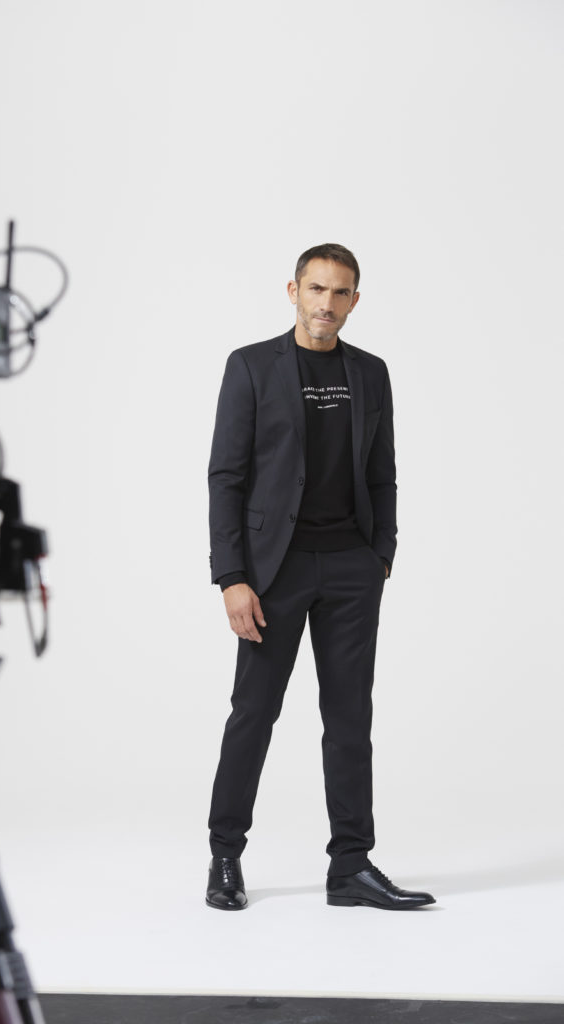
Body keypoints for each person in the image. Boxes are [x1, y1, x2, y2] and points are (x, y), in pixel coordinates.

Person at [205, 243, 435, 912]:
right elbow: (226, 476)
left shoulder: (370, 372)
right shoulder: (251, 366)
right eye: (316, 289)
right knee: (254, 713)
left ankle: (351, 867)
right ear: (293, 291)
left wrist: (381, 553)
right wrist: (231, 576)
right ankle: (225, 856)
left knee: (349, 718)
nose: (325, 304)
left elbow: (382, 472)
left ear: (354, 301)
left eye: (339, 293)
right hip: (271, 572)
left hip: (350, 568)